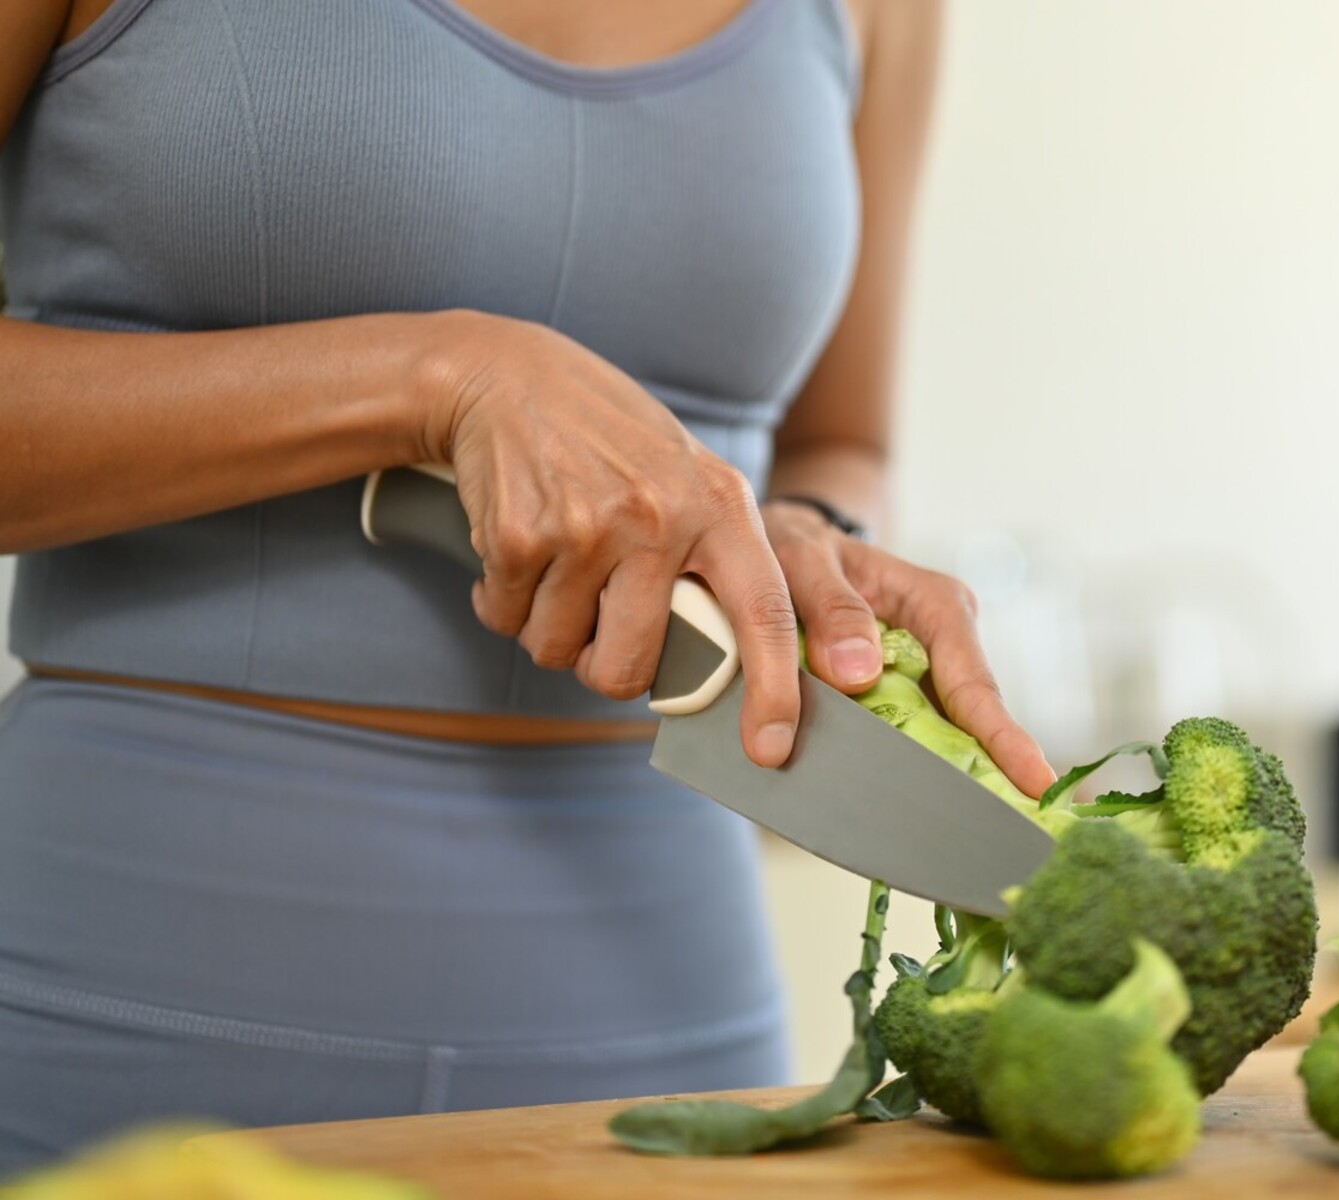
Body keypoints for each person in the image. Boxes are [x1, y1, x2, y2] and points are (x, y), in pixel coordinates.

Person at [0, 0, 1055, 1175]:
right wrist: (432, 379)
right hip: (121, 1000)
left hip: (674, 1022)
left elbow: (838, 439)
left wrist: (809, 532)